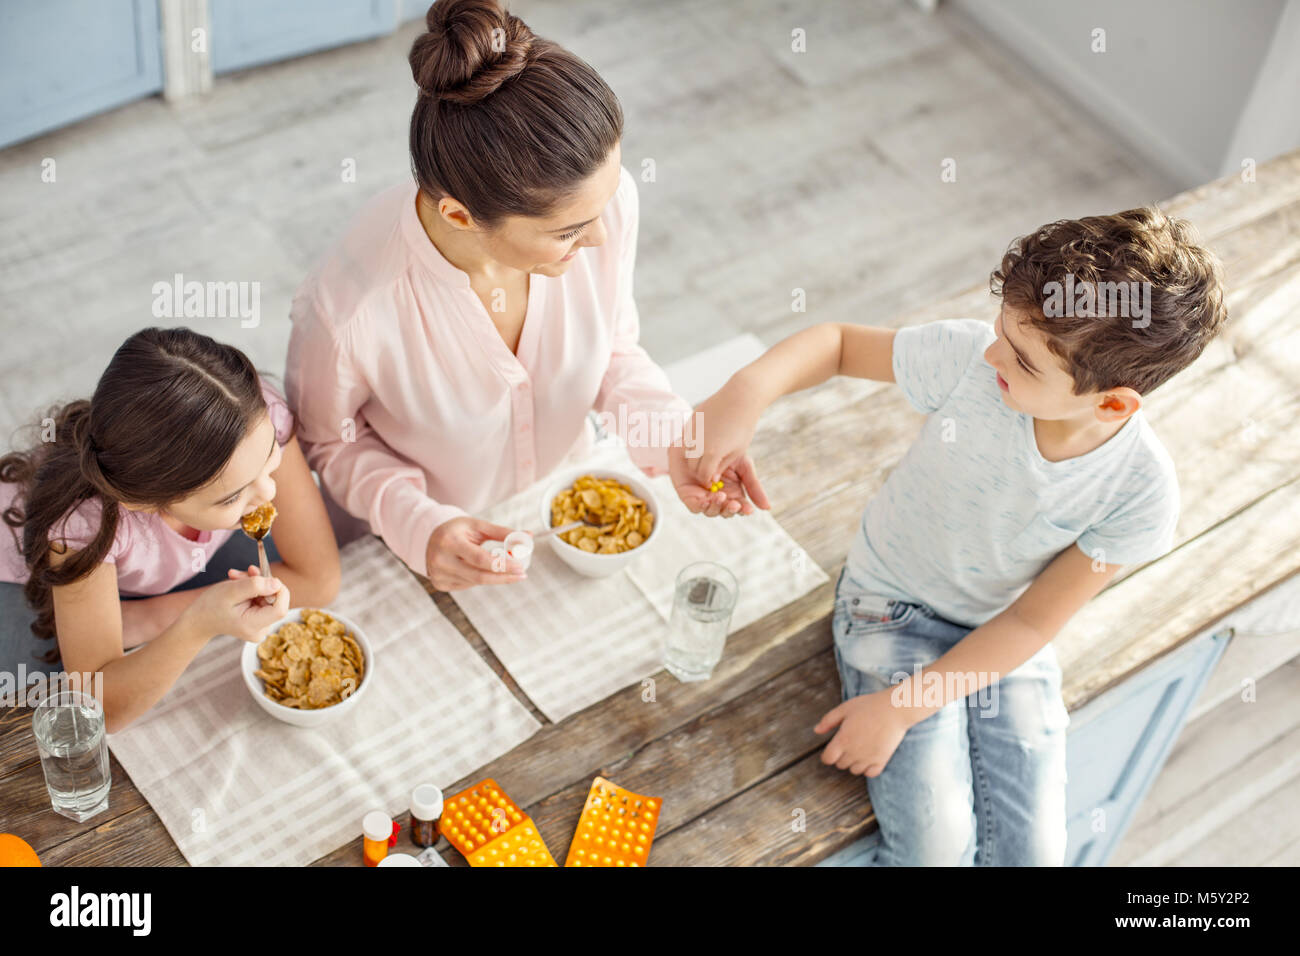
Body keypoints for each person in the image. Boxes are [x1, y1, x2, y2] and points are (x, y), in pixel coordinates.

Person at [685, 207, 1227, 864]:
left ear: (1113, 404)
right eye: (1002, 331)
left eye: (1023, 361)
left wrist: (905, 706)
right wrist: (745, 392)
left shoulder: (1141, 492)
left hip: (1003, 638)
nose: (994, 353)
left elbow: (1029, 625)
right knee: (935, 850)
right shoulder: (973, 362)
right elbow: (836, 344)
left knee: (1036, 855)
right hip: (890, 606)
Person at [285, 0, 763, 592]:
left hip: (559, 498)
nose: (602, 237)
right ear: (459, 216)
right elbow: (329, 443)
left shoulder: (600, 208)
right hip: (432, 546)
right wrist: (418, 525)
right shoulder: (348, 309)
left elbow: (610, 349)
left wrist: (672, 439)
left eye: (607, 201)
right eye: (568, 232)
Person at [0, 328, 340, 733]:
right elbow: (100, 707)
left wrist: (145, 619)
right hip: (22, 578)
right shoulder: (81, 527)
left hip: (150, 572)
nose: (269, 493)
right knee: (31, 697)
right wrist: (199, 622)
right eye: (231, 497)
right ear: (144, 502)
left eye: (270, 459)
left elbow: (319, 578)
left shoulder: (251, 420)